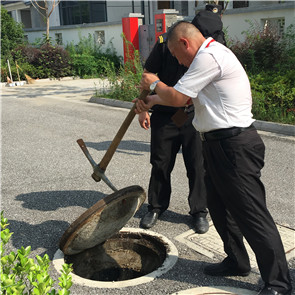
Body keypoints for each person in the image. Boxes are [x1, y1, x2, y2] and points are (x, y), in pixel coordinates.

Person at [135, 21, 292, 295]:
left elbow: (178, 96)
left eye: (175, 54)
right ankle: (237, 261)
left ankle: (279, 283)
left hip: (234, 146)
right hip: (216, 145)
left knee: (252, 214)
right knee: (219, 208)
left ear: (184, 43)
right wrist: (151, 101)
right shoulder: (205, 56)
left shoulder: (210, 56)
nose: (177, 61)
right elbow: (187, 101)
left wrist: (155, 83)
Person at [138, 5, 225, 232]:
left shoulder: (213, 48)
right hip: (165, 114)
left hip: (194, 115)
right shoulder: (166, 44)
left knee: (197, 165)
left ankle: (199, 211)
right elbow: (148, 75)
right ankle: (156, 207)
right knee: (160, 163)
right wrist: (142, 108)